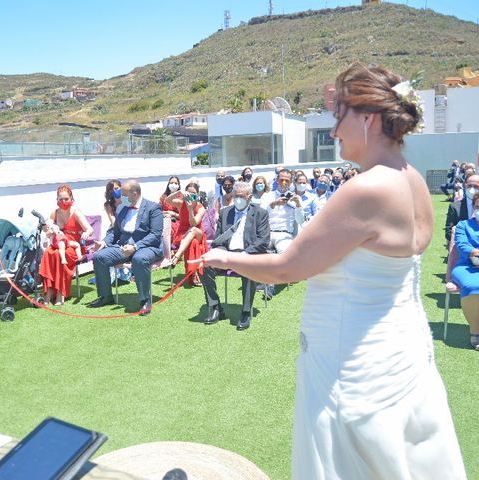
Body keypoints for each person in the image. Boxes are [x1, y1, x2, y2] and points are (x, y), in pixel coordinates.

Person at [197, 63, 466, 478]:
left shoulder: (366, 188)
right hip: (403, 349)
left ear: (367, 119)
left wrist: (223, 258)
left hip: (355, 360)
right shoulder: (412, 180)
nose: (333, 130)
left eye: (338, 117)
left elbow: (288, 268)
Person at [201, 181, 270, 331]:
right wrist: (221, 253)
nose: (238, 199)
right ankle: (215, 307)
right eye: (235, 196)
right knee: (206, 266)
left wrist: (245, 254)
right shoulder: (226, 213)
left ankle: (245, 312)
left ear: (249, 197)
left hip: (247, 254)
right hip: (228, 254)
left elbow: (263, 241)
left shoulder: (260, 213)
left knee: (249, 269)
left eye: (241, 197)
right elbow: (218, 239)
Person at [88, 180, 163, 315]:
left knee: (139, 259)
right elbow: (114, 232)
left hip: (147, 246)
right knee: (99, 257)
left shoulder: (153, 208)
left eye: (123, 194)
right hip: (123, 246)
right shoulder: (122, 209)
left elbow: (155, 235)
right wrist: (104, 243)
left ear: (134, 193)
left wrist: (135, 246)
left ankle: (145, 300)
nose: (120, 197)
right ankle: (106, 296)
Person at [39, 184, 94, 305]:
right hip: (59, 241)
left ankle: (60, 292)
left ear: (71, 199)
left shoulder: (76, 212)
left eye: (66, 199)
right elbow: (47, 230)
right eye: (60, 199)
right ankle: (49, 290)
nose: (63, 201)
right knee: (48, 253)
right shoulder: (55, 212)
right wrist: (47, 229)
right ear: (57, 200)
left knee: (59, 255)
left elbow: (90, 229)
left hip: (74, 245)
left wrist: (86, 234)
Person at [165, 182, 208, 286]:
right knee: (191, 243)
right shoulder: (181, 203)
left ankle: (176, 257)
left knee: (192, 230)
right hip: (183, 234)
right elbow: (167, 200)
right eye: (188, 193)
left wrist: (190, 210)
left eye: (193, 194)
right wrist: (179, 192)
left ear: (197, 194)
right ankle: (193, 274)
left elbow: (194, 223)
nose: (190, 196)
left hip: (198, 232)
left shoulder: (200, 208)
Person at [451, 191, 479, 351]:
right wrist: (473, 252)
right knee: (474, 286)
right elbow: (462, 246)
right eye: (477, 206)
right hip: (467, 266)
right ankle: (475, 331)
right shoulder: (464, 225)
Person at [445, 173, 479, 244]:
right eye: (469, 186)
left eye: (476, 186)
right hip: (460, 248)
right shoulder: (455, 207)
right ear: (464, 185)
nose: (472, 189)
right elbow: (448, 232)